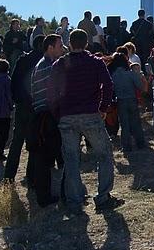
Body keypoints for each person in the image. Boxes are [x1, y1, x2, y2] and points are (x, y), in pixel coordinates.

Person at [49, 29, 122, 215]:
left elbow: (51, 92)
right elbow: (108, 85)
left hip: (67, 117)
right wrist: (103, 108)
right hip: (90, 114)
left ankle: (74, 202)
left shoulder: (59, 64)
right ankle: (103, 197)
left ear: (70, 44)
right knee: (104, 154)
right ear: (87, 43)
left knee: (72, 160)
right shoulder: (95, 63)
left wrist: (58, 113)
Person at [4, 35, 45, 183]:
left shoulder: (22, 60)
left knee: (17, 142)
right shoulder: (44, 62)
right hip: (36, 106)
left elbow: (13, 81)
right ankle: (31, 177)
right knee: (34, 142)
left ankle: (9, 176)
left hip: (21, 105)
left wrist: (17, 100)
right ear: (42, 45)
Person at [30, 34, 64, 207]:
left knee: (46, 157)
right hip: (47, 116)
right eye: (60, 45)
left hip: (43, 115)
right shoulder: (48, 66)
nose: (63, 48)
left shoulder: (41, 65)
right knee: (46, 158)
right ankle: (46, 197)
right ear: (50, 47)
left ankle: (50, 194)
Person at [109, 52, 146, 154]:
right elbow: (140, 86)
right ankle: (140, 143)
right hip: (132, 99)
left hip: (120, 101)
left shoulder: (113, 75)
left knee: (124, 125)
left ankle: (126, 147)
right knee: (136, 123)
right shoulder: (130, 74)